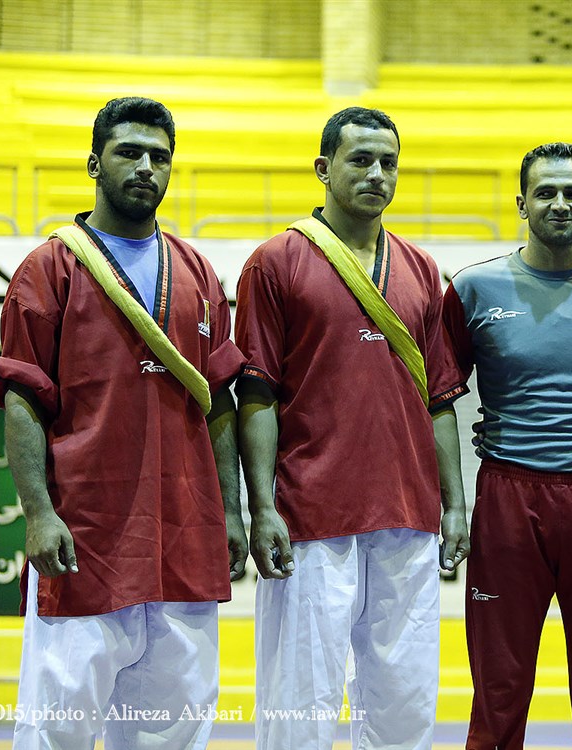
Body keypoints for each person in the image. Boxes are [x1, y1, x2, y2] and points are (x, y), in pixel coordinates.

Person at [0, 96, 247, 749]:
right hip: (84, 540)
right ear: (94, 164)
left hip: (184, 538)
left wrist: (232, 511)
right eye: (129, 152)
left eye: (160, 156)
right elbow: (21, 398)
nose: (146, 167)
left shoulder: (197, 272)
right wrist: (38, 514)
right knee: (59, 733)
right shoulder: (49, 269)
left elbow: (218, 400)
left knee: (173, 734)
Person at [234, 106, 470, 750]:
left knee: (405, 701)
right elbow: (256, 393)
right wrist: (261, 508)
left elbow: (440, 400)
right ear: (323, 168)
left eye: (388, 162)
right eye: (360, 160)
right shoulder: (275, 262)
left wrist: (454, 503)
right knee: (299, 701)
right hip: (311, 514)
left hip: (409, 515)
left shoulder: (421, 269)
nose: (376, 174)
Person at [441, 142, 572, 750]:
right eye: (545, 192)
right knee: (498, 695)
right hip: (509, 505)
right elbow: (435, 398)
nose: (560, 203)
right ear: (522, 204)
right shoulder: (472, 289)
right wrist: (451, 502)